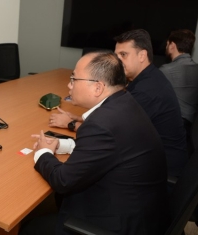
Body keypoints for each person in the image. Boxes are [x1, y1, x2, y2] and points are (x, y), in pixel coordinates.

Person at [21, 51, 168, 235]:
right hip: (142, 208)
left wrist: (43, 153)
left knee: (29, 227)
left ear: (98, 88)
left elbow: (63, 180)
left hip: (119, 224)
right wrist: (61, 145)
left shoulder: (102, 124)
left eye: (74, 79)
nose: (69, 84)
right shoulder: (123, 102)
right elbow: (108, 150)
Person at [49, 29, 188, 179]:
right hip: (151, 160)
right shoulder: (146, 78)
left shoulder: (146, 91)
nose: (118, 61)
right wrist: (78, 118)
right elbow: (114, 118)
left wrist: (70, 124)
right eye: (117, 55)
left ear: (142, 55)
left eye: (124, 55)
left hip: (160, 173)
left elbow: (110, 133)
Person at [159, 29, 198, 156]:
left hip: (169, 129)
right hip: (191, 132)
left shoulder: (166, 70)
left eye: (167, 44)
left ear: (172, 45)